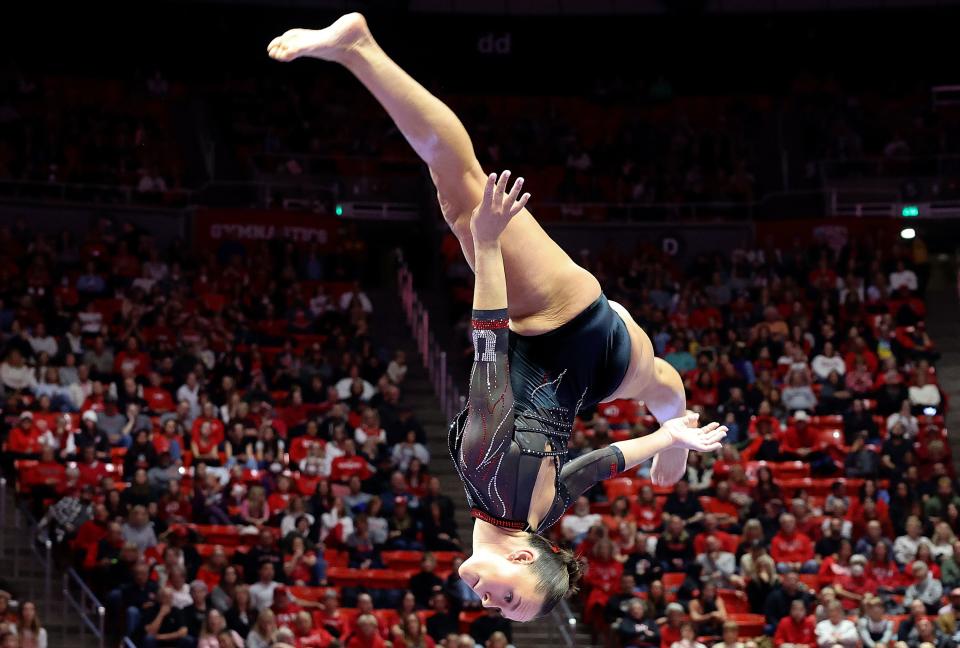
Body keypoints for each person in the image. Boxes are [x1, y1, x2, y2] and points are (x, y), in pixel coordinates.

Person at [267, 14, 727, 621]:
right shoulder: (492, 484)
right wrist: (484, 243)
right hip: (558, 320)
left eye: (496, 607)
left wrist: (665, 440)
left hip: (601, 371)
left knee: (662, 385)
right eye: (508, 597)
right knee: (460, 189)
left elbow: (591, 470)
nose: (487, 598)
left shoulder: (530, 518)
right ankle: (359, 47)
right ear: (524, 560)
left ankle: (677, 420)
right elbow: (488, 345)